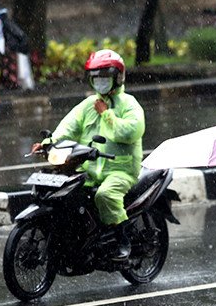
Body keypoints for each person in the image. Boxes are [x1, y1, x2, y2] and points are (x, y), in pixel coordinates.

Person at [31, 49, 145, 261]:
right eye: (96, 78)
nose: (100, 82)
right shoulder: (88, 105)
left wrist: (107, 114)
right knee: (65, 192)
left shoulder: (129, 104)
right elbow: (67, 127)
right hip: (90, 167)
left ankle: (123, 240)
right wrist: (48, 143)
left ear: (117, 77)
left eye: (105, 77)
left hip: (120, 169)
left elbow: (130, 132)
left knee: (105, 195)